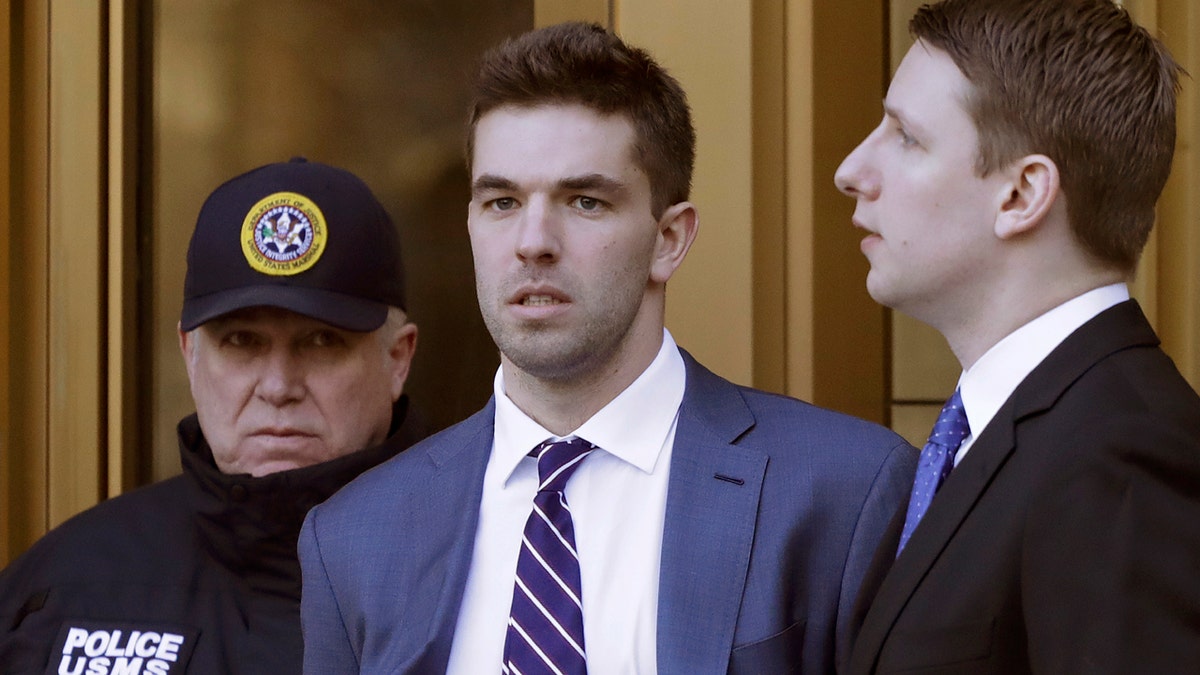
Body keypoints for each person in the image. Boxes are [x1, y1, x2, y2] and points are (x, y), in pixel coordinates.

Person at [299, 22, 916, 675]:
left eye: (585, 201)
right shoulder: (353, 537)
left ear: (669, 239)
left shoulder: (842, 491)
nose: (533, 241)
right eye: (502, 201)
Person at [834, 0, 1200, 672]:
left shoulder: (1120, 456)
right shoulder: (1009, 433)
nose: (851, 170)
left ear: (1022, 195)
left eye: (906, 137)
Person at [0, 158, 425, 674]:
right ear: (190, 354)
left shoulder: (497, 575)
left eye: (320, 342)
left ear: (397, 360)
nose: (277, 387)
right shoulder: (63, 588)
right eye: (242, 342)